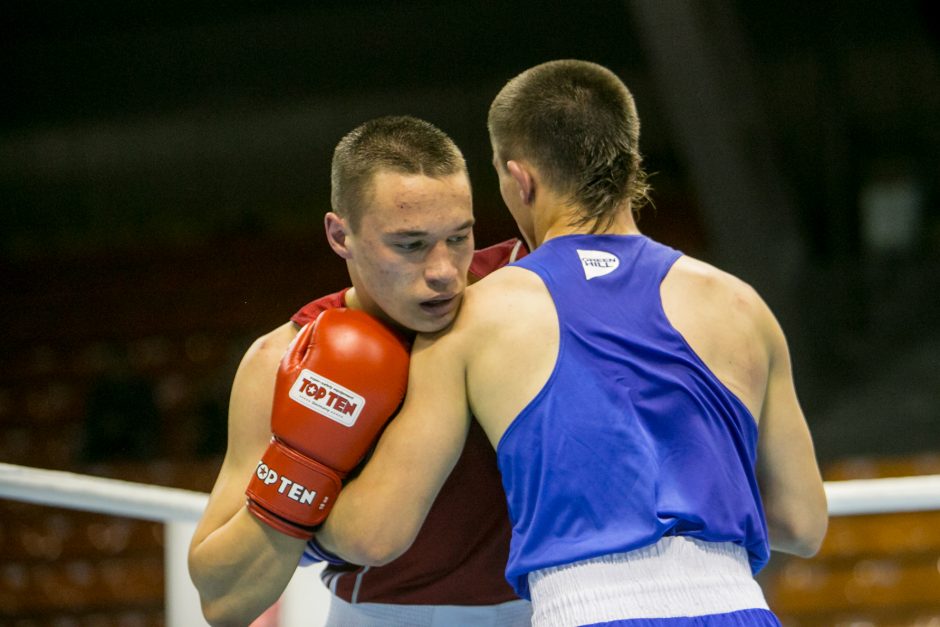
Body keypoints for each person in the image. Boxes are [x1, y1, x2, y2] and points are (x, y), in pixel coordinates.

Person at [316, 60, 829, 626]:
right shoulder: (741, 306)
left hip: (586, 612)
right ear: (631, 162)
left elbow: (375, 534)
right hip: (740, 607)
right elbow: (802, 525)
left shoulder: (480, 312)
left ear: (520, 179)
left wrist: (293, 485)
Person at [188, 115, 531, 626]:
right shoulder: (283, 359)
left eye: (458, 238)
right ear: (339, 234)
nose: (442, 272)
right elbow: (224, 600)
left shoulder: (523, 292)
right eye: (409, 245)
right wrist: (304, 464)